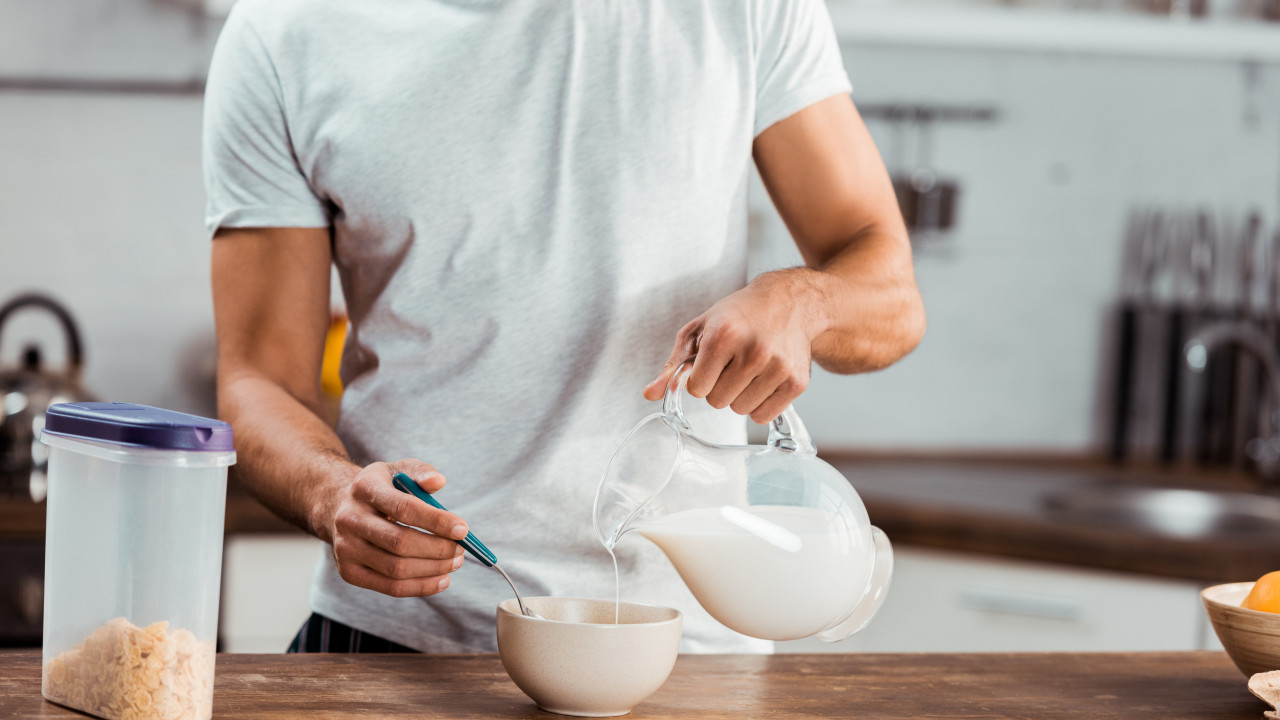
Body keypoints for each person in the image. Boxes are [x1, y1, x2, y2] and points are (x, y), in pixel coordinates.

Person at [203, 0, 925, 654]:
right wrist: (333, 496)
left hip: (686, 648)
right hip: (397, 636)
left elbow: (890, 298)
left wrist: (801, 302)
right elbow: (258, 378)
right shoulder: (284, 30)